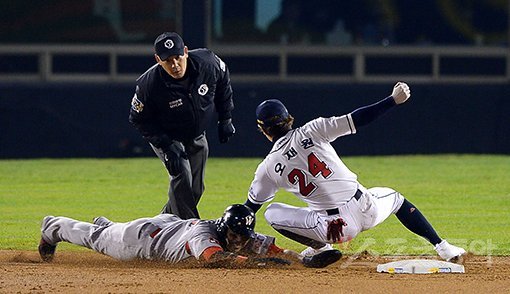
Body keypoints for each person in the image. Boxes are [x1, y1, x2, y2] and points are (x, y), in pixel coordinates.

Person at [244, 82, 467, 263]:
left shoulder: (268, 166)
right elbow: (357, 118)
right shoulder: (314, 129)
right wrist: (392, 100)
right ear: (289, 118)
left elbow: (250, 208)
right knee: (397, 199)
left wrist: (230, 225)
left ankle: (321, 248)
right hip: (366, 207)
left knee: (271, 212)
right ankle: (443, 247)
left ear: (262, 130)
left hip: (334, 229)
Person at [129, 32, 235, 219]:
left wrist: (225, 118)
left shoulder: (207, 63)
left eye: (177, 57)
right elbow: (139, 119)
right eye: (168, 60)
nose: (175, 65)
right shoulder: (149, 84)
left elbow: (223, 80)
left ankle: (157, 227)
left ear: (185, 51)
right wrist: (166, 145)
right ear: (157, 60)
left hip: (196, 134)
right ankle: (192, 232)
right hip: (168, 136)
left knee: (195, 189)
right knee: (182, 178)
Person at [38, 204, 341, 268]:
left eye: (243, 234)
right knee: (97, 238)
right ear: (225, 228)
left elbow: (272, 250)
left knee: (106, 229)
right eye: (235, 234)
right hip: (141, 240)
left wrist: (303, 259)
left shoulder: (239, 232)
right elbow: (214, 259)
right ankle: (53, 225)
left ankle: (106, 223)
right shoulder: (205, 234)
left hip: (169, 225)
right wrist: (257, 264)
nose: (240, 240)